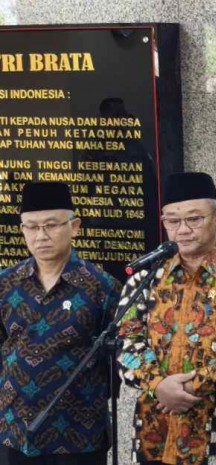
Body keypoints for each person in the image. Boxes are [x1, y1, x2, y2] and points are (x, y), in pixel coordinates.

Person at [117, 172, 216, 465]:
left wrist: (191, 386)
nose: (182, 230)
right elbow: (126, 339)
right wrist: (158, 385)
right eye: (173, 221)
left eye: (194, 219)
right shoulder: (147, 276)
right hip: (155, 431)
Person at [0, 181, 122, 465]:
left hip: (78, 434)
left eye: (51, 225)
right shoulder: (6, 283)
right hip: (15, 430)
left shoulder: (102, 287)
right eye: (31, 226)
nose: (41, 235)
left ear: (75, 226)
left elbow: (117, 357)